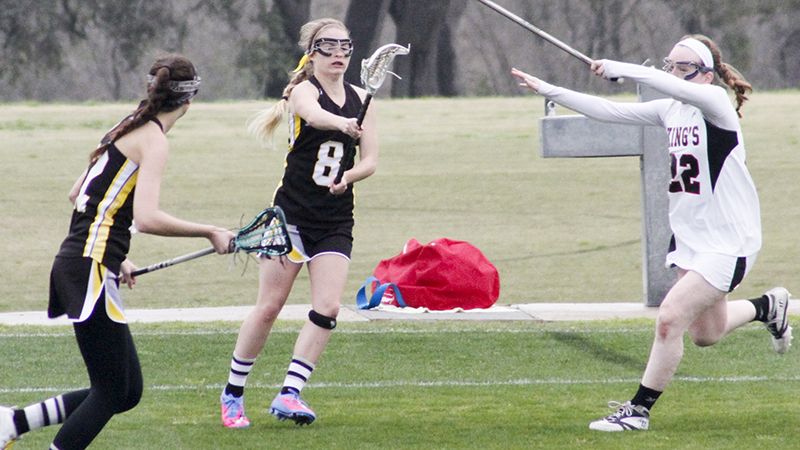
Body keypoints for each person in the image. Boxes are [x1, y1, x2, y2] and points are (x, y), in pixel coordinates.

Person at [512, 35, 791, 432]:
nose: (673, 74)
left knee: (669, 318)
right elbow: (608, 110)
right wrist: (547, 88)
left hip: (729, 241)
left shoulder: (715, 105)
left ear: (706, 75)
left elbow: (665, 85)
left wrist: (619, 68)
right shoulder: (669, 111)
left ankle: (637, 411)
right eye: (669, 66)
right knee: (706, 334)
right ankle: (768, 306)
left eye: (683, 68)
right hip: (691, 239)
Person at [0, 55, 235, 450]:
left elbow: (79, 194)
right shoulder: (154, 140)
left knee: (126, 391)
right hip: (88, 265)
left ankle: (13, 422)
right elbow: (147, 218)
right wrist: (210, 231)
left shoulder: (128, 124)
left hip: (84, 260)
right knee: (110, 391)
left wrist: (117, 255)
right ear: (190, 100)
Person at [219, 18, 378, 428]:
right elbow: (314, 115)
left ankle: (290, 392)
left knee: (327, 307)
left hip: (335, 218)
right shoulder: (303, 90)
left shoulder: (363, 98)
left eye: (345, 46)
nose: (339, 53)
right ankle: (233, 393)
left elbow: (371, 161)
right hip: (290, 215)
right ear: (312, 52)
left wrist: (348, 177)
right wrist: (343, 123)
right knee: (269, 307)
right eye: (329, 46)